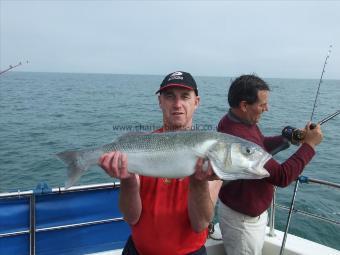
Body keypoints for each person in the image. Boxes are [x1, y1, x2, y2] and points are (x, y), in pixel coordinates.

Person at [99, 71, 222, 255]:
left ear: (196, 102)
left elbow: (200, 224)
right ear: (160, 102)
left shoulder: (211, 153)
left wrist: (198, 182)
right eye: (170, 96)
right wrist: (128, 179)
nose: (177, 104)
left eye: (185, 96)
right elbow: (131, 217)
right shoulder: (139, 148)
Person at [217, 74, 323, 255]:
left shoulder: (235, 120)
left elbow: (260, 144)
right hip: (243, 224)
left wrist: (286, 138)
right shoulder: (239, 134)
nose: (267, 109)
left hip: (242, 213)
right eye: (262, 104)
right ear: (244, 105)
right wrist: (309, 146)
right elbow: (282, 177)